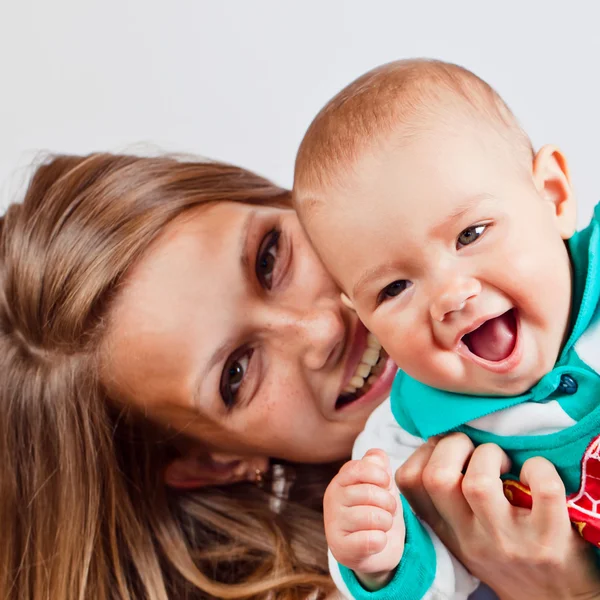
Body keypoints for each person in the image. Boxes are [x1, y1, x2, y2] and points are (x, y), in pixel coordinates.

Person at [1, 151, 598, 600]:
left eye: (269, 257)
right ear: (213, 461)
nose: (322, 329)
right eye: (236, 373)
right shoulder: (382, 563)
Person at [293, 58, 600, 599]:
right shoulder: (410, 434)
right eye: (393, 289)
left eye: (471, 234)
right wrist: (377, 561)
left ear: (552, 196)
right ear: (366, 319)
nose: (451, 296)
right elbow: (440, 585)